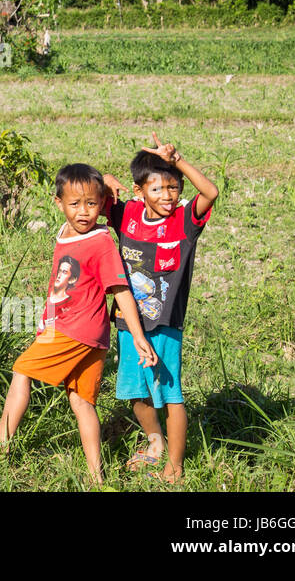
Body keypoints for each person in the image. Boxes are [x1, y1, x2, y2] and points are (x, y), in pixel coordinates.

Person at [0, 164, 158, 484]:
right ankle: (97, 476)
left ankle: (0, 446)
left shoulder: (100, 241)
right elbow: (60, 283)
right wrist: (46, 321)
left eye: (92, 204)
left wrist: (137, 336)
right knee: (81, 401)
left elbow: (120, 289)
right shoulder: (67, 233)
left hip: (77, 330)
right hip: (82, 333)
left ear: (100, 202)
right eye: (75, 204)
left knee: (21, 370)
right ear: (59, 203)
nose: (83, 212)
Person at [101, 134, 218, 484]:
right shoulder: (127, 214)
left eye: (173, 187)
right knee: (136, 392)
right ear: (139, 192)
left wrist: (177, 158)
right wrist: (103, 179)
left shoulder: (184, 221)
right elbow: (85, 189)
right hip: (127, 322)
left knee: (170, 394)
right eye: (157, 189)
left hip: (165, 324)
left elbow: (210, 193)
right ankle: (156, 445)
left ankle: (176, 465)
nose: (167, 196)